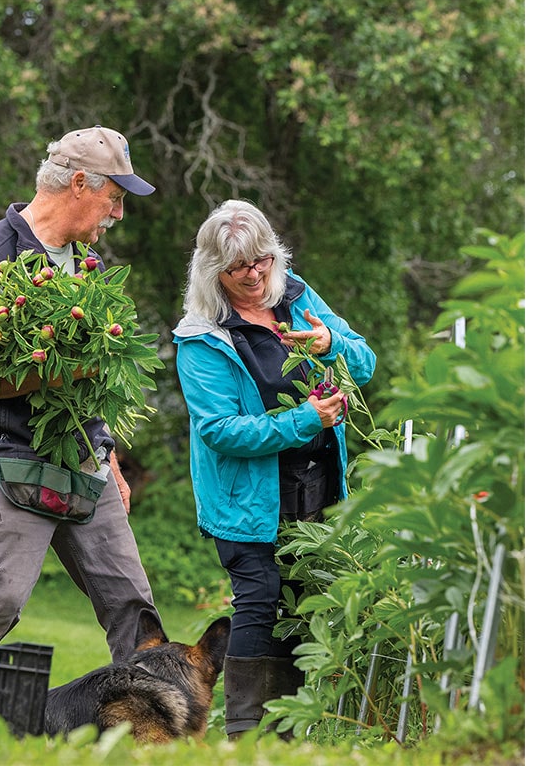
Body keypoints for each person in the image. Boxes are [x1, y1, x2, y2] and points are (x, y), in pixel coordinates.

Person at [0, 125, 162, 662]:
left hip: (84, 463)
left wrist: (108, 457)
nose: (118, 213)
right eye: (115, 197)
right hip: (10, 460)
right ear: (80, 183)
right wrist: (58, 374)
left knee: (134, 608)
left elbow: (96, 376)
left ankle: (147, 736)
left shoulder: (90, 269)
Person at [171, 199, 376, 738]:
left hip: (316, 490)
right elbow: (221, 430)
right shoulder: (202, 337)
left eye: (261, 259)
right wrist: (305, 419)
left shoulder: (297, 296)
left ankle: (284, 736)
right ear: (214, 272)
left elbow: (365, 360)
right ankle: (245, 735)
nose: (254, 274)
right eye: (238, 267)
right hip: (247, 502)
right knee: (261, 601)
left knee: (302, 608)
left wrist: (331, 344)